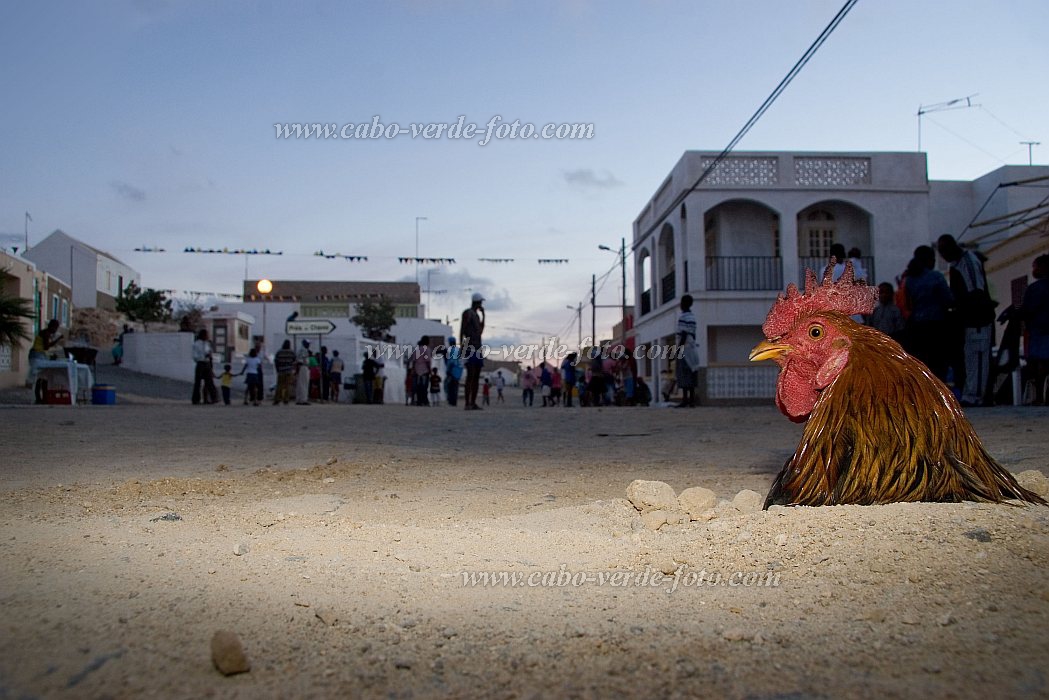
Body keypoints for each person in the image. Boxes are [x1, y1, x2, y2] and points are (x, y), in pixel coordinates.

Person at [937, 234, 995, 406]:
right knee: (971, 358)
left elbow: (976, 291)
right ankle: (972, 393)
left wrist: (962, 310)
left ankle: (976, 396)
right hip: (969, 319)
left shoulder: (967, 262)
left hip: (977, 318)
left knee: (978, 357)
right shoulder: (958, 264)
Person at [903, 246, 954, 382]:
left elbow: (908, 304)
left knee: (922, 361)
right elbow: (948, 300)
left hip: (917, 325)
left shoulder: (910, 280)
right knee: (938, 360)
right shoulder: (935, 277)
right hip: (936, 324)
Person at [1018, 254, 1049, 405]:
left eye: (1035, 266)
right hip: (1040, 331)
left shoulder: (1035, 288)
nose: (1033, 270)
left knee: (1039, 367)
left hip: (1038, 332)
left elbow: (1028, 310)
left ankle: (1039, 398)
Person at [460, 292, 485, 410]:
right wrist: (462, 345)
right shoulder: (467, 313)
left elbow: (480, 331)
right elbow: (462, 329)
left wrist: (484, 315)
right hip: (470, 346)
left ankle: (473, 402)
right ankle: (467, 403)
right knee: (470, 375)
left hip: (478, 346)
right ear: (477, 302)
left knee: (476, 376)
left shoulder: (477, 315)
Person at [29, 319, 63, 404]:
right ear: (52, 327)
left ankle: (42, 398)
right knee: (41, 377)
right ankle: (40, 398)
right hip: (37, 355)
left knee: (41, 377)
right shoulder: (46, 334)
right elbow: (46, 347)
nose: (55, 330)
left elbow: (45, 347)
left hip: (36, 354)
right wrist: (57, 339)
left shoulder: (45, 332)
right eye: (55, 328)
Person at [676, 294, 699, 407]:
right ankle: (691, 400)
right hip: (692, 347)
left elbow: (683, 334)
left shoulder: (683, 317)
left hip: (685, 349)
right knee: (691, 374)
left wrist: (678, 349)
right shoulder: (693, 317)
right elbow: (693, 335)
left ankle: (685, 400)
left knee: (684, 375)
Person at [191, 328, 218, 405]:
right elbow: (195, 356)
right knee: (198, 382)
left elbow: (210, 352)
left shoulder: (207, 344)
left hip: (207, 363)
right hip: (200, 363)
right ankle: (196, 399)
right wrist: (203, 356)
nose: (208, 336)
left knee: (209, 381)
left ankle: (212, 398)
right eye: (206, 335)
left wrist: (209, 356)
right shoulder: (196, 344)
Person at [411, 336, 432, 406]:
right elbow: (427, 361)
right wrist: (430, 370)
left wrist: (413, 369)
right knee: (424, 387)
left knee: (418, 387)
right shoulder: (427, 349)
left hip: (417, 370)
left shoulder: (417, 349)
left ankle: (419, 400)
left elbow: (413, 361)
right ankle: (425, 400)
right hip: (424, 370)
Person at [444, 336, 463, 406]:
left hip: (453, 371)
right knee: (455, 387)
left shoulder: (453, 350)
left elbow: (451, 361)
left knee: (451, 387)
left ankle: (452, 401)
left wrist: (448, 370)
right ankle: (453, 401)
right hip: (458, 371)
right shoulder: (457, 350)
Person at [295, 339, 311, 405]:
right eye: (308, 344)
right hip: (304, 367)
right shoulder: (304, 350)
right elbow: (303, 360)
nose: (309, 345)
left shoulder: (300, 350)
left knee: (300, 384)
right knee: (304, 384)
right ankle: (303, 399)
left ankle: (299, 399)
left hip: (301, 367)